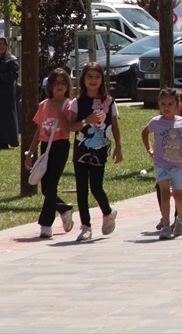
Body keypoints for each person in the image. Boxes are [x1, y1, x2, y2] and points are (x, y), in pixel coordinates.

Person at [67, 62, 122, 242]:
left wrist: (119, 147)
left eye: (97, 77)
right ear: (83, 79)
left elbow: (115, 125)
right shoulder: (77, 102)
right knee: (81, 189)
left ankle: (108, 211)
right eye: (89, 77)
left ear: (102, 80)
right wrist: (86, 121)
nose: (93, 80)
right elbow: (71, 127)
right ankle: (86, 226)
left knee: (96, 187)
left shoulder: (109, 102)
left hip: (100, 151)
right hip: (81, 151)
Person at [23, 68, 75, 239]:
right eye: (56, 82)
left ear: (68, 86)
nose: (60, 86)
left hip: (60, 146)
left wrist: (58, 111)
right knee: (45, 187)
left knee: (52, 184)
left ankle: (46, 224)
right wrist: (31, 152)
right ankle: (64, 209)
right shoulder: (44, 105)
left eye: (63, 82)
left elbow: (67, 130)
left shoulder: (69, 105)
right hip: (46, 147)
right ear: (50, 86)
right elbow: (39, 131)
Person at [143, 89, 182, 240]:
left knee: (178, 195)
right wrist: (150, 149)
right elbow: (144, 132)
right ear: (159, 105)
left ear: (177, 105)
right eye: (163, 104)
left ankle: (180, 218)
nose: (166, 107)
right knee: (165, 194)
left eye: (170, 104)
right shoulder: (156, 122)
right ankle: (166, 225)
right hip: (161, 164)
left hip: (178, 165)